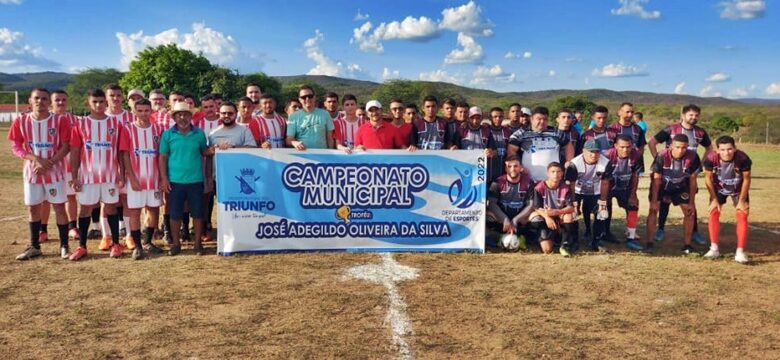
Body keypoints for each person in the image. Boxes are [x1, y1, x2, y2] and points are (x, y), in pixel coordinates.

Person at [8, 88, 73, 260]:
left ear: (49, 102)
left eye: (44, 98)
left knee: (59, 206)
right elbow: (16, 146)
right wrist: (35, 159)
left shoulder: (60, 120)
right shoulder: (21, 121)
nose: (40, 101)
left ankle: (64, 246)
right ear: (30, 101)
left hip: (55, 173)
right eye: (37, 98)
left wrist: (49, 162)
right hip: (32, 173)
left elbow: (66, 146)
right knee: (33, 207)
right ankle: (34, 246)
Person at [69, 89, 129, 260]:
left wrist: (121, 173)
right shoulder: (80, 124)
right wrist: (74, 176)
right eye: (94, 102)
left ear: (106, 103)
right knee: (86, 209)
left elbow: (120, 152)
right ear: (88, 103)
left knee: (111, 207)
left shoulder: (115, 125)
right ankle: (82, 246)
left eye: (101, 101)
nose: (98, 105)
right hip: (88, 176)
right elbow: (74, 151)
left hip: (110, 176)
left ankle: (116, 244)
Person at [648, 104, 712, 245]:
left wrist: (700, 164)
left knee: (690, 201)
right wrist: (658, 161)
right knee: (664, 200)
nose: (693, 117)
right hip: (667, 171)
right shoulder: (671, 129)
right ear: (683, 115)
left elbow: (709, 148)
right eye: (691, 115)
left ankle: (694, 232)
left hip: (687, 173)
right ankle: (661, 229)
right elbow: (652, 142)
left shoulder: (700, 132)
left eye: (696, 115)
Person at [159, 102, 210, 256]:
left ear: (191, 116)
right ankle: (176, 244)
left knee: (198, 213)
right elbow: (162, 157)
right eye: (179, 114)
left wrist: (216, 149)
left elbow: (204, 152)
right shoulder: (167, 134)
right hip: (175, 181)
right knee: (175, 214)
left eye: (186, 114)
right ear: (174, 117)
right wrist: (164, 178)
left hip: (195, 180)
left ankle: (197, 244)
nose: (182, 117)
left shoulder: (199, 133)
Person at [119, 99, 165, 259]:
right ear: (134, 112)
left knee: (153, 209)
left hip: (154, 178)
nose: (144, 114)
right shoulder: (128, 129)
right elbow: (124, 155)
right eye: (140, 111)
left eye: (147, 110)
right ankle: (137, 246)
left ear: (151, 111)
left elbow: (162, 154)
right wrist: (131, 177)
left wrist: (162, 176)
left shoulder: (159, 129)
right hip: (136, 179)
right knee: (135, 211)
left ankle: (148, 242)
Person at [647, 134, 701, 254]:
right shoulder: (662, 155)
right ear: (671, 146)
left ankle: (687, 245)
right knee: (653, 210)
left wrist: (691, 202)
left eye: (684, 148)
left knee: (689, 212)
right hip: (661, 185)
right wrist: (655, 201)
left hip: (680, 186)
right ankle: (649, 243)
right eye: (677, 147)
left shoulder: (692, 156)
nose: (681, 150)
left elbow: (693, 180)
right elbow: (656, 179)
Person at [38, 90, 80, 243]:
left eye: (64, 100)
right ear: (51, 102)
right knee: (46, 199)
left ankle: (72, 227)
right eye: (57, 100)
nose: (61, 103)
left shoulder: (76, 120)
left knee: (70, 196)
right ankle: (43, 230)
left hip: (68, 165)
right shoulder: (45, 119)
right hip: (50, 165)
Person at [703, 135, 751, 264]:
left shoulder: (743, 158)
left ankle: (740, 252)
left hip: (738, 188)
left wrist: (741, 200)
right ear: (717, 150)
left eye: (729, 149)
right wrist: (713, 198)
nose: (726, 152)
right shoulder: (710, 158)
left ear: (734, 148)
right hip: (719, 188)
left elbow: (746, 179)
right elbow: (708, 178)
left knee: (742, 214)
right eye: (722, 150)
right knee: (713, 212)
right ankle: (714, 248)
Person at [565, 139, 613, 251]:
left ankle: (597, 240)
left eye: (596, 152)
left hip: (595, 190)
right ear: (583, 151)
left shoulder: (605, 162)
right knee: (573, 213)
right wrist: (573, 202)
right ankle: (574, 240)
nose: (594, 155)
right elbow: (571, 185)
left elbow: (605, 183)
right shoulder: (574, 164)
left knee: (601, 212)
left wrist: (603, 202)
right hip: (577, 190)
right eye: (590, 151)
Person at [507, 106, 573, 183]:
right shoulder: (520, 133)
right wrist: (519, 167)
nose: (542, 122)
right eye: (539, 119)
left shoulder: (557, 133)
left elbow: (568, 145)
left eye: (545, 119)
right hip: (528, 180)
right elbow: (511, 150)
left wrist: (568, 161)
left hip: (552, 180)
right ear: (531, 119)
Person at [604, 135, 643, 250]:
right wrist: (603, 196)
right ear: (616, 146)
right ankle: (604, 233)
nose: (625, 150)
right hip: (609, 186)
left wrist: (633, 194)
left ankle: (631, 235)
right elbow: (603, 179)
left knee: (633, 205)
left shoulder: (637, 155)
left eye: (628, 147)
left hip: (625, 187)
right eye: (622, 147)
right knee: (605, 207)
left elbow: (636, 176)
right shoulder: (607, 156)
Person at [487, 155, 534, 251]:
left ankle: (523, 238)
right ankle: (500, 237)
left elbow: (530, 205)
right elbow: (491, 204)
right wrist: (505, 219)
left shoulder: (529, 182)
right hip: (502, 219)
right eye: (509, 166)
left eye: (516, 166)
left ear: (521, 168)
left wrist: (516, 220)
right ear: (505, 168)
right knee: (487, 218)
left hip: (520, 218)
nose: (513, 169)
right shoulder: (497, 182)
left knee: (536, 218)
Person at [529, 162, 577, 256]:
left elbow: (571, 207)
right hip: (546, 218)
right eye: (553, 172)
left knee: (569, 216)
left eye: (558, 171)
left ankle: (564, 244)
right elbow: (536, 207)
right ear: (548, 173)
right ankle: (540, 237)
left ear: (562, 173)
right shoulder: (539, 188)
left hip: (559, 216)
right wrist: (547, 217)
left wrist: (557, 212)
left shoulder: (566, 188)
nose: (556, 174)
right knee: (547, 249)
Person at [105, 84, 133, 244]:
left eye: (118, 95)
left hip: (127, 164)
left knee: (126, 199)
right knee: (107, 202)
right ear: (106, 98)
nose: (115, 98)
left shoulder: (130, 117)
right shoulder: (101, 117)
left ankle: (129, 235)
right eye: (111, 95)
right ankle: (106, 236)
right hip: (106, 167)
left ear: (122, 97)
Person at [286, 85, 335, 150]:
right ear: (300, 100)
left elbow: (330, 138)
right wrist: (294, 143)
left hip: (322, 155)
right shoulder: (293, 116)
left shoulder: (325, 114)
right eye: (303, 97)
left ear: (314, 97)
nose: (307, 99)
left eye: (310, 96)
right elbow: (289, 139)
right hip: (303, 156)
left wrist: (330, 155)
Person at [487, 107, 512, 183]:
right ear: (490, 118)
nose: (498, 119)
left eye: (500, 116)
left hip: (502, 172)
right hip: (486, 173)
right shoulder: (485, 129)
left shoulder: (508, 131)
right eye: (495, 117)